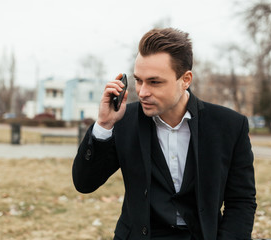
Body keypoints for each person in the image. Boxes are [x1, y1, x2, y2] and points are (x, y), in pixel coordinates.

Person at [72, 28, 257, 240]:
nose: (142, 92)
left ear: (185, 79)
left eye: (154, 82)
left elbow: (241, 201)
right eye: (139, 80)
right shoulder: (123, 120)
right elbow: (84, 184)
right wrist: (104, 124)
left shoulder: (229, 125)